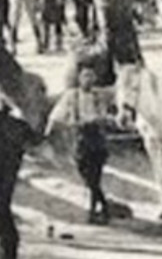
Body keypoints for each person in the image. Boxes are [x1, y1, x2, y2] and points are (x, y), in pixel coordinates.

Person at [46, 63, 114, 224]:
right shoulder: (71, 96)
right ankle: (103, 205)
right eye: (85, 76)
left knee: (95, 176)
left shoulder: (99, 96)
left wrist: (105, 119)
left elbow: (106, 113)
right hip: (80, 136)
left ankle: (94, 211)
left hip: (97, 137)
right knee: (85, 173)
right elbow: (57, 114)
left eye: (91, 76)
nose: (88, 80)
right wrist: (48, 132)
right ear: (79, 78)